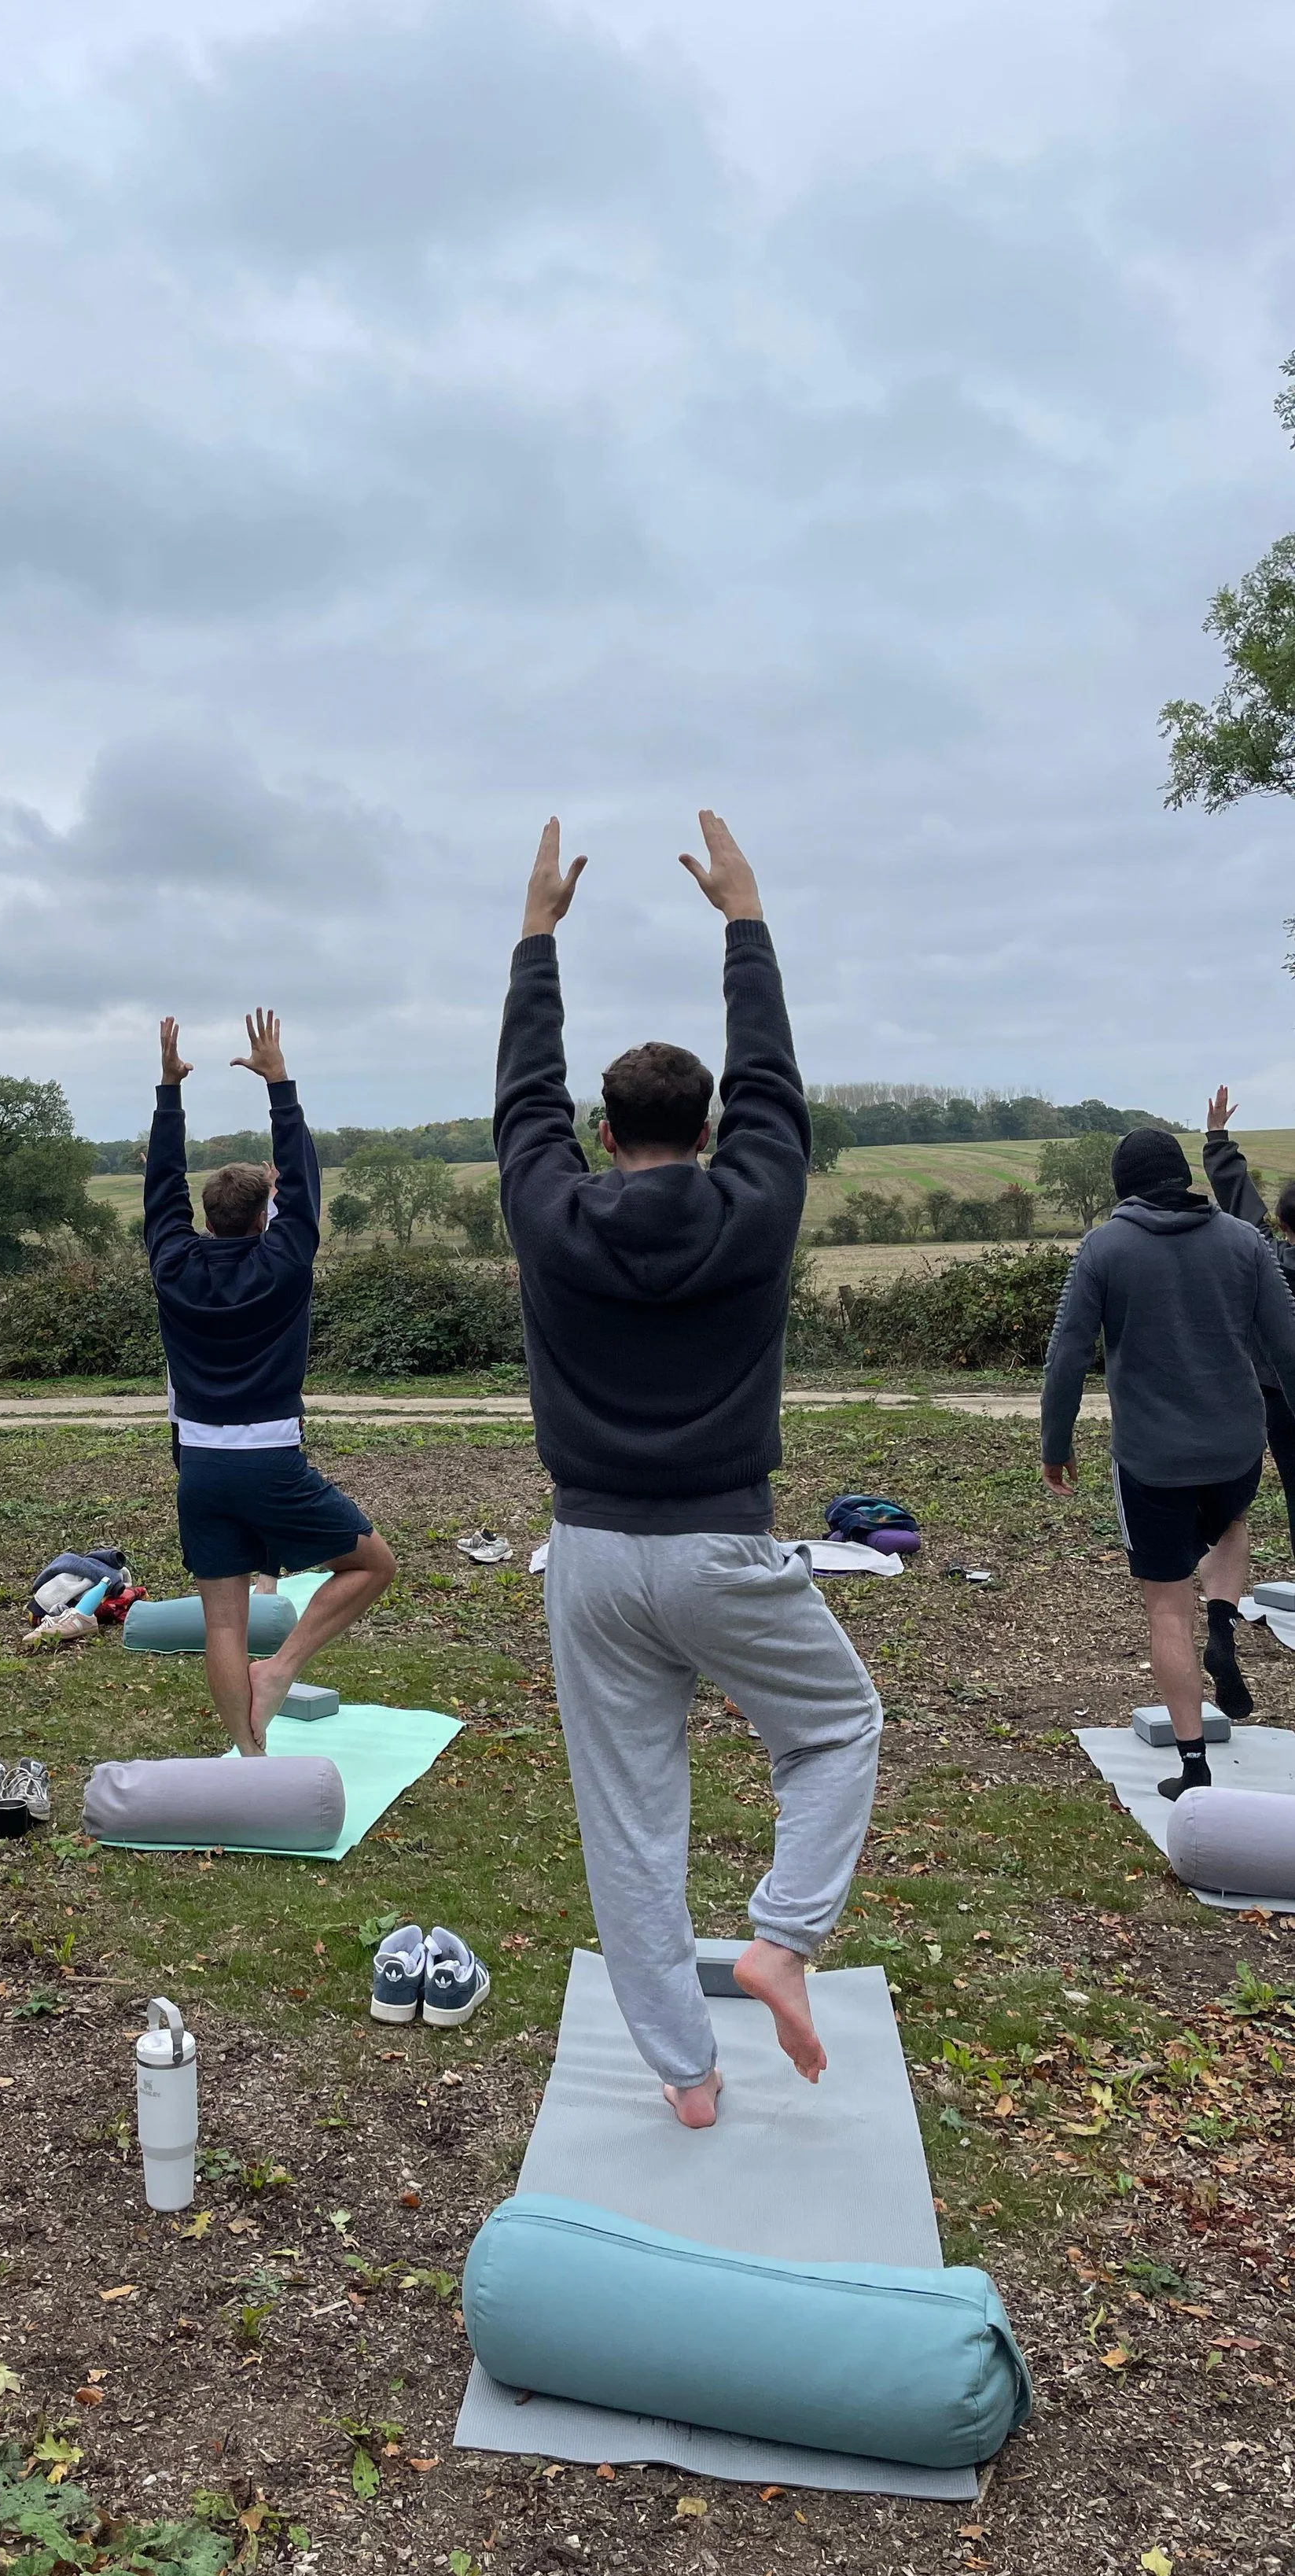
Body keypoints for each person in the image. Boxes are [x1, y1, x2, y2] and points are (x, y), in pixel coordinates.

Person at [495, 813, 881, 2130]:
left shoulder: (548, 1207)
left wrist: (537, 937)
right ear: (712, 1126)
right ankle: (780, 1935)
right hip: (722, 1544)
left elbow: (516, 1099)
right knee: (834, 1731)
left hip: (591, 1558)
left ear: (601, 1135)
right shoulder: (756, 1197)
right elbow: (776, 1081)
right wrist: (746, 920)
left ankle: (687, 2078)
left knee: (630, 1824)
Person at [146, 1008, 395, 1750]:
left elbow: (160, 1186)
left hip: (199, 1468)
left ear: (204, 1216)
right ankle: (280, 1670)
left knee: (223, 1621)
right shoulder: (283, 1263)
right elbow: (304, 1189)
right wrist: (279, 1083)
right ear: (265, 1216)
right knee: (373, 1564)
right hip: (271, 1465)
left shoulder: (173, 1265)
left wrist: (169, 1092)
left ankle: (249, 1756)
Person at [1042, 1125, 1295, 1786]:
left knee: (1164, 1607)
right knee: (1231, 1522)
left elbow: (1068, 1352)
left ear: (1122, 1186)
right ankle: (1223, 1621)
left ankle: (1193, 1765)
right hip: (1237, 1445)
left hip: (1151, 1456)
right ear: (1183, 1176)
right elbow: (1288, 1346)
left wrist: (1056, 1442)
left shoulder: (1104, 1246)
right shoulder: (1246, 1242)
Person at [1202, 1085, 1295, 1557]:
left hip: (1280, 1393)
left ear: (1283, 1224)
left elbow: (1241, 1204)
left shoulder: (1270, 1259)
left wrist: (1218, 1136)